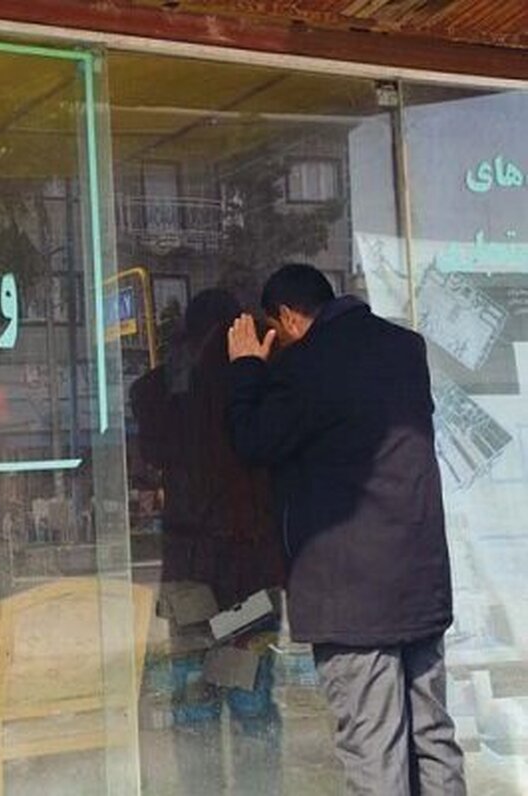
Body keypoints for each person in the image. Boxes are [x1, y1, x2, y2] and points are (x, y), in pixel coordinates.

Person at [225, 263, 465, 795]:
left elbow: (254, 441)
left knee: (374, 751)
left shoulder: (306, 364)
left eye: (275, 329)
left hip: (351, 598)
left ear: (288, 317)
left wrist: (246, 368)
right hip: (420, 582)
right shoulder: (405, 349)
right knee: (432, 737)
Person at [131, 289, 285, 793]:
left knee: (196, 701)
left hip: (190, 573)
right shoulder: (257, 386)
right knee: (250, 700)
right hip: (248, 574)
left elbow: (151, 441)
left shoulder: (163, 390)